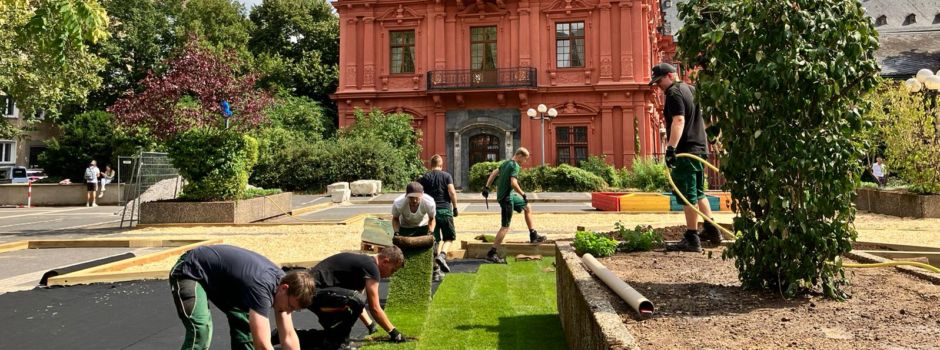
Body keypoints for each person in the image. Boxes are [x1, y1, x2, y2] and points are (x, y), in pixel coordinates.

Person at [168, 244, 316, 350]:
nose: (288, 311)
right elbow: (263, 345)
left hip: (223, 282)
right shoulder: (262, 288)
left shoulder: (284, 287)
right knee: (201, 329)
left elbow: (289, 336)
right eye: (290, 306)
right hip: (190, 270)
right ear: (284, 288)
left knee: (246, 330)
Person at [649, 62, 721, 252]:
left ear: (671, 76)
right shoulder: (691, 89)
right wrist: (710, 136)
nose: (659, 86)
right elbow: (704, 118)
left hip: (687, 151)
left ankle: (692, 237)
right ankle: (711, 229)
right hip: (699, 148)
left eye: (660, 81)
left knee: (688, 195)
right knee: (698, 192)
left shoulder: (673, 93)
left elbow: (679, 120)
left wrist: (671, 149)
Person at [285, 247, 407, 349]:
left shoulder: (364, 265)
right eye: (393, 270)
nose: (391, 275)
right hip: (310, 292)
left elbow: (358, 305)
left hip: (315, 294)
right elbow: (374, 307)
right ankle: (339, 343)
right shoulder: (371, 268)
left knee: (332, 337)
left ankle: (282, 335)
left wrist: (370, 326)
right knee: (353, 305)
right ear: (385, 262)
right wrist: (394, 333)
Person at [480, 147, 546, 264]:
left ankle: (533, 235)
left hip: (507, 196)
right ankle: (492, 253)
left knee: (527, 207)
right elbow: (513, 183)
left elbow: (494, 173)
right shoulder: (515, 165)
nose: (524, 162)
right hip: (506, 199)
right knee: (505, 227)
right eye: (524, 159)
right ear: (519, 155)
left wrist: (487, 187)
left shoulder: (506, 163)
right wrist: (523, 194)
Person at [417, 154, 458, 279]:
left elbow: (418, 194)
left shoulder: (425, 177)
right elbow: (451, 191)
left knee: (434, 241)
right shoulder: (446, 176)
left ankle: (436, 271)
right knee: (449, 237)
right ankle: (443, 255)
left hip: (431, 214)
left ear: (430, 164)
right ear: (441, 164)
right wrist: (455, 207)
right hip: (445, 210)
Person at [391, 182, 440, 280]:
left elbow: (432, 218)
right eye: (411, 197)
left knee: (432, 245)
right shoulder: (398, 203)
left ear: (422, 195)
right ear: (406, 196)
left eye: (416, 197)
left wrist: (430, 232)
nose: (414, 200)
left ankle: (436, 269)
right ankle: (401, 270)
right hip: (405, 226)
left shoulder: (429, 202)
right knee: (401, 249)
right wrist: (396, 232)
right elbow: (395, 218)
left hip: (423, 225)